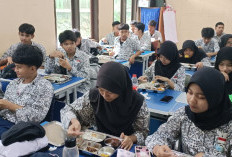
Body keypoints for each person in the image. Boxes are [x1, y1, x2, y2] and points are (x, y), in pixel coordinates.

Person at [61, 62, 149, 150]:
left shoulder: (137, 102)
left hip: (126, 147)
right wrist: (74, 121)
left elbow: (143, 133)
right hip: (98, 144)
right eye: (101, 90)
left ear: (121, 88)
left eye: (109, 92)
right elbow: (68, 109)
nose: (104, 95)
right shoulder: (95, 96)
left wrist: (131, 138)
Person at [145, 67, 232, 156]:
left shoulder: (228, 124)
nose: (192, 101)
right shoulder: (184, 114)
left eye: (201, 97)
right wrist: (158, 147)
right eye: (190, 93)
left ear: (215, 98)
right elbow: (159, 135)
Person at [0, 44, 53, 137]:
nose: (15, 70)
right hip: (3, 121)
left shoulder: (44, 87)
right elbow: (4, 107)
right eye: (15, 66)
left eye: (19, 67)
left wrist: (9, 105)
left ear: (32, 68)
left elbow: (35, 117)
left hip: (21, 128)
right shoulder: (13, 83)